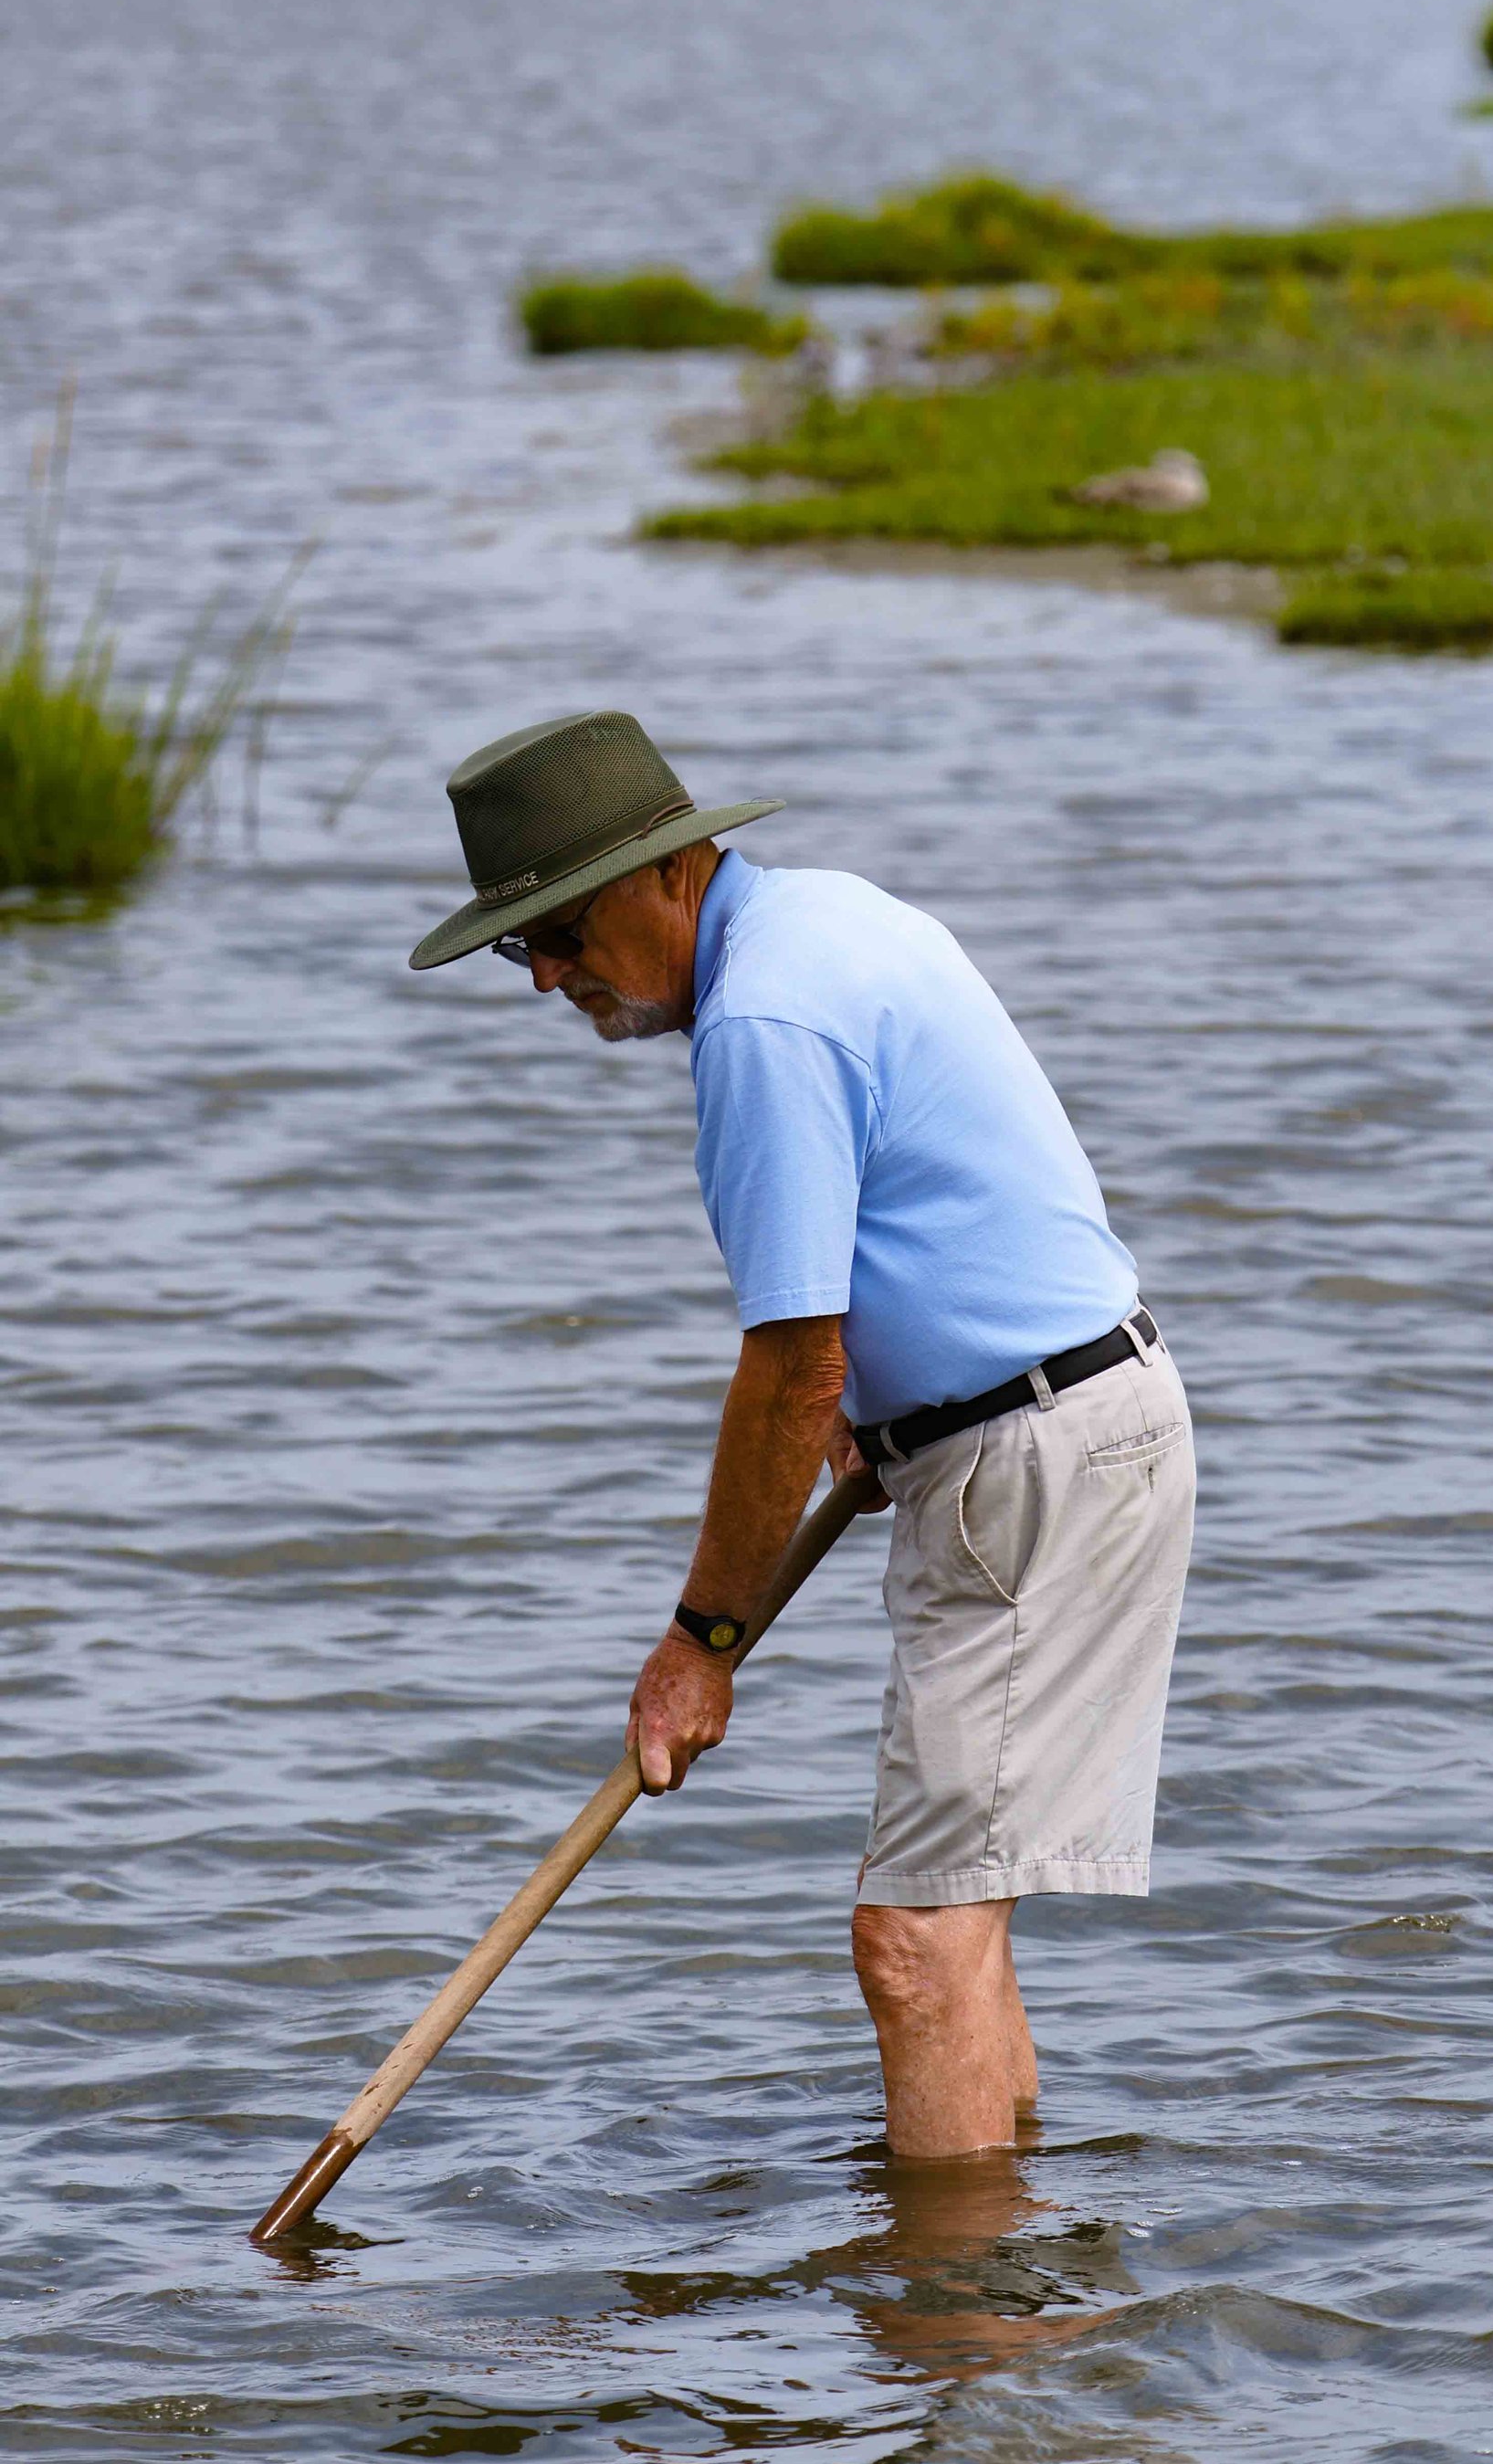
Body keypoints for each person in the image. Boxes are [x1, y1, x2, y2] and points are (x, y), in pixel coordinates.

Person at [410, 709, 1193, 2157]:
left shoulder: (765, 1020)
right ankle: (1005, 2320)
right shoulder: (826, 920)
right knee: (956, 1929)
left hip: (1036, 1456)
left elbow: (789, 1360)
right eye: (522, 952)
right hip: (1049, 1425)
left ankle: (954, 2327)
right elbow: (881, 1274)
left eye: (563, 933)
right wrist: (872, 1401)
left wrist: (699, 1643)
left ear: (668, 873)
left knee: (911, 1941)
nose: (552, 978)